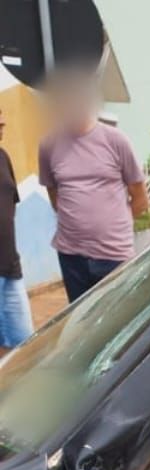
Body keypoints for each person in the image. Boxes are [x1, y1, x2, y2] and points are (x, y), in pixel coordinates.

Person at [38, 74, 149, 303]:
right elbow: (54, 194)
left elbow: (140, 197)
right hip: (71, 255)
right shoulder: (48, 145)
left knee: (118, 318)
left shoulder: (116, 140)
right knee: (80, 319)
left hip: (113, 256)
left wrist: (113, 227)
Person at [0, 109, 33, 352]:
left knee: (26, 347)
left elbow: (10, 208)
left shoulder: (3, 157)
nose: (2, 122)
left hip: (11, 268)